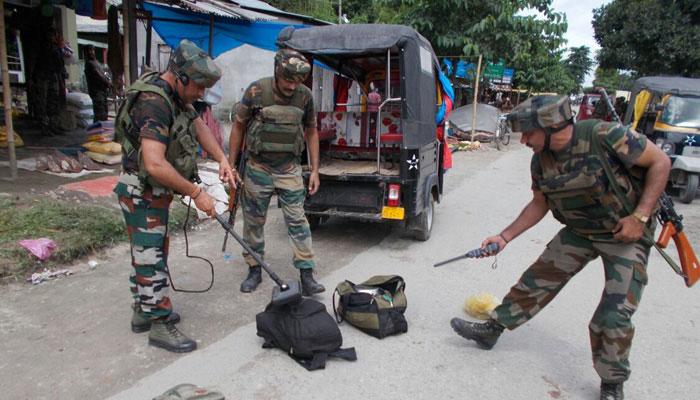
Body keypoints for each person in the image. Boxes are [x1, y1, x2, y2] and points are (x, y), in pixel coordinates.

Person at [449, 95, 671, 400]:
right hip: (581, 231)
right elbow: (539, 204)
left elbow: (660, 162)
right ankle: (492, 330)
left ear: (552, 126)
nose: (524, 140)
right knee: (537, 279)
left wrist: (640, 216)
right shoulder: (540, 160)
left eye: (529, 133)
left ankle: (612, 383)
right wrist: (504, 237)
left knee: (612, 316)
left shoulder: (605, 136)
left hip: (625, 234)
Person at [113, 39, 235, 353]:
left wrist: (221, 159)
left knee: (150, 250)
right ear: (179, 77)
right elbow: (154, 163)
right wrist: (197, 193)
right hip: (142, 190)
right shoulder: (154, 102)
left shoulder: (176, 93)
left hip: (154, 190)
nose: (201, 94)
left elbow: (197, 126)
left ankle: (143, 311)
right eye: (198, 87)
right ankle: (159, 323)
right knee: (151, 255)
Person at [228, 48, 324, 296]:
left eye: (298, 81)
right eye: (289, 80)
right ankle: (254, 269)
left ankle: (306, 273)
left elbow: (311, 131)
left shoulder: (305, 97)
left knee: (298, 220)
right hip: (257, 167)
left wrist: (314, 170)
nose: (293, 86)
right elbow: (238, 126)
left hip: (289, 168)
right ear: (277, 72)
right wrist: (230, 164)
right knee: (253, 221)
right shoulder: (256, 91)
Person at [83, 45, 112, 122]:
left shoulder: (96, 62)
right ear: (85, 53)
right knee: (100, 114)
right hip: (97, 92)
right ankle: (97, 132)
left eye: (92, 50)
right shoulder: (89, 64)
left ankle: (101, 132)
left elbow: (103, 74)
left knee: (104, 113)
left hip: (102, 91)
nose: (91, 52)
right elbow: (99, 75)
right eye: (89, 50)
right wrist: (108, 83)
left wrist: (108, 80)